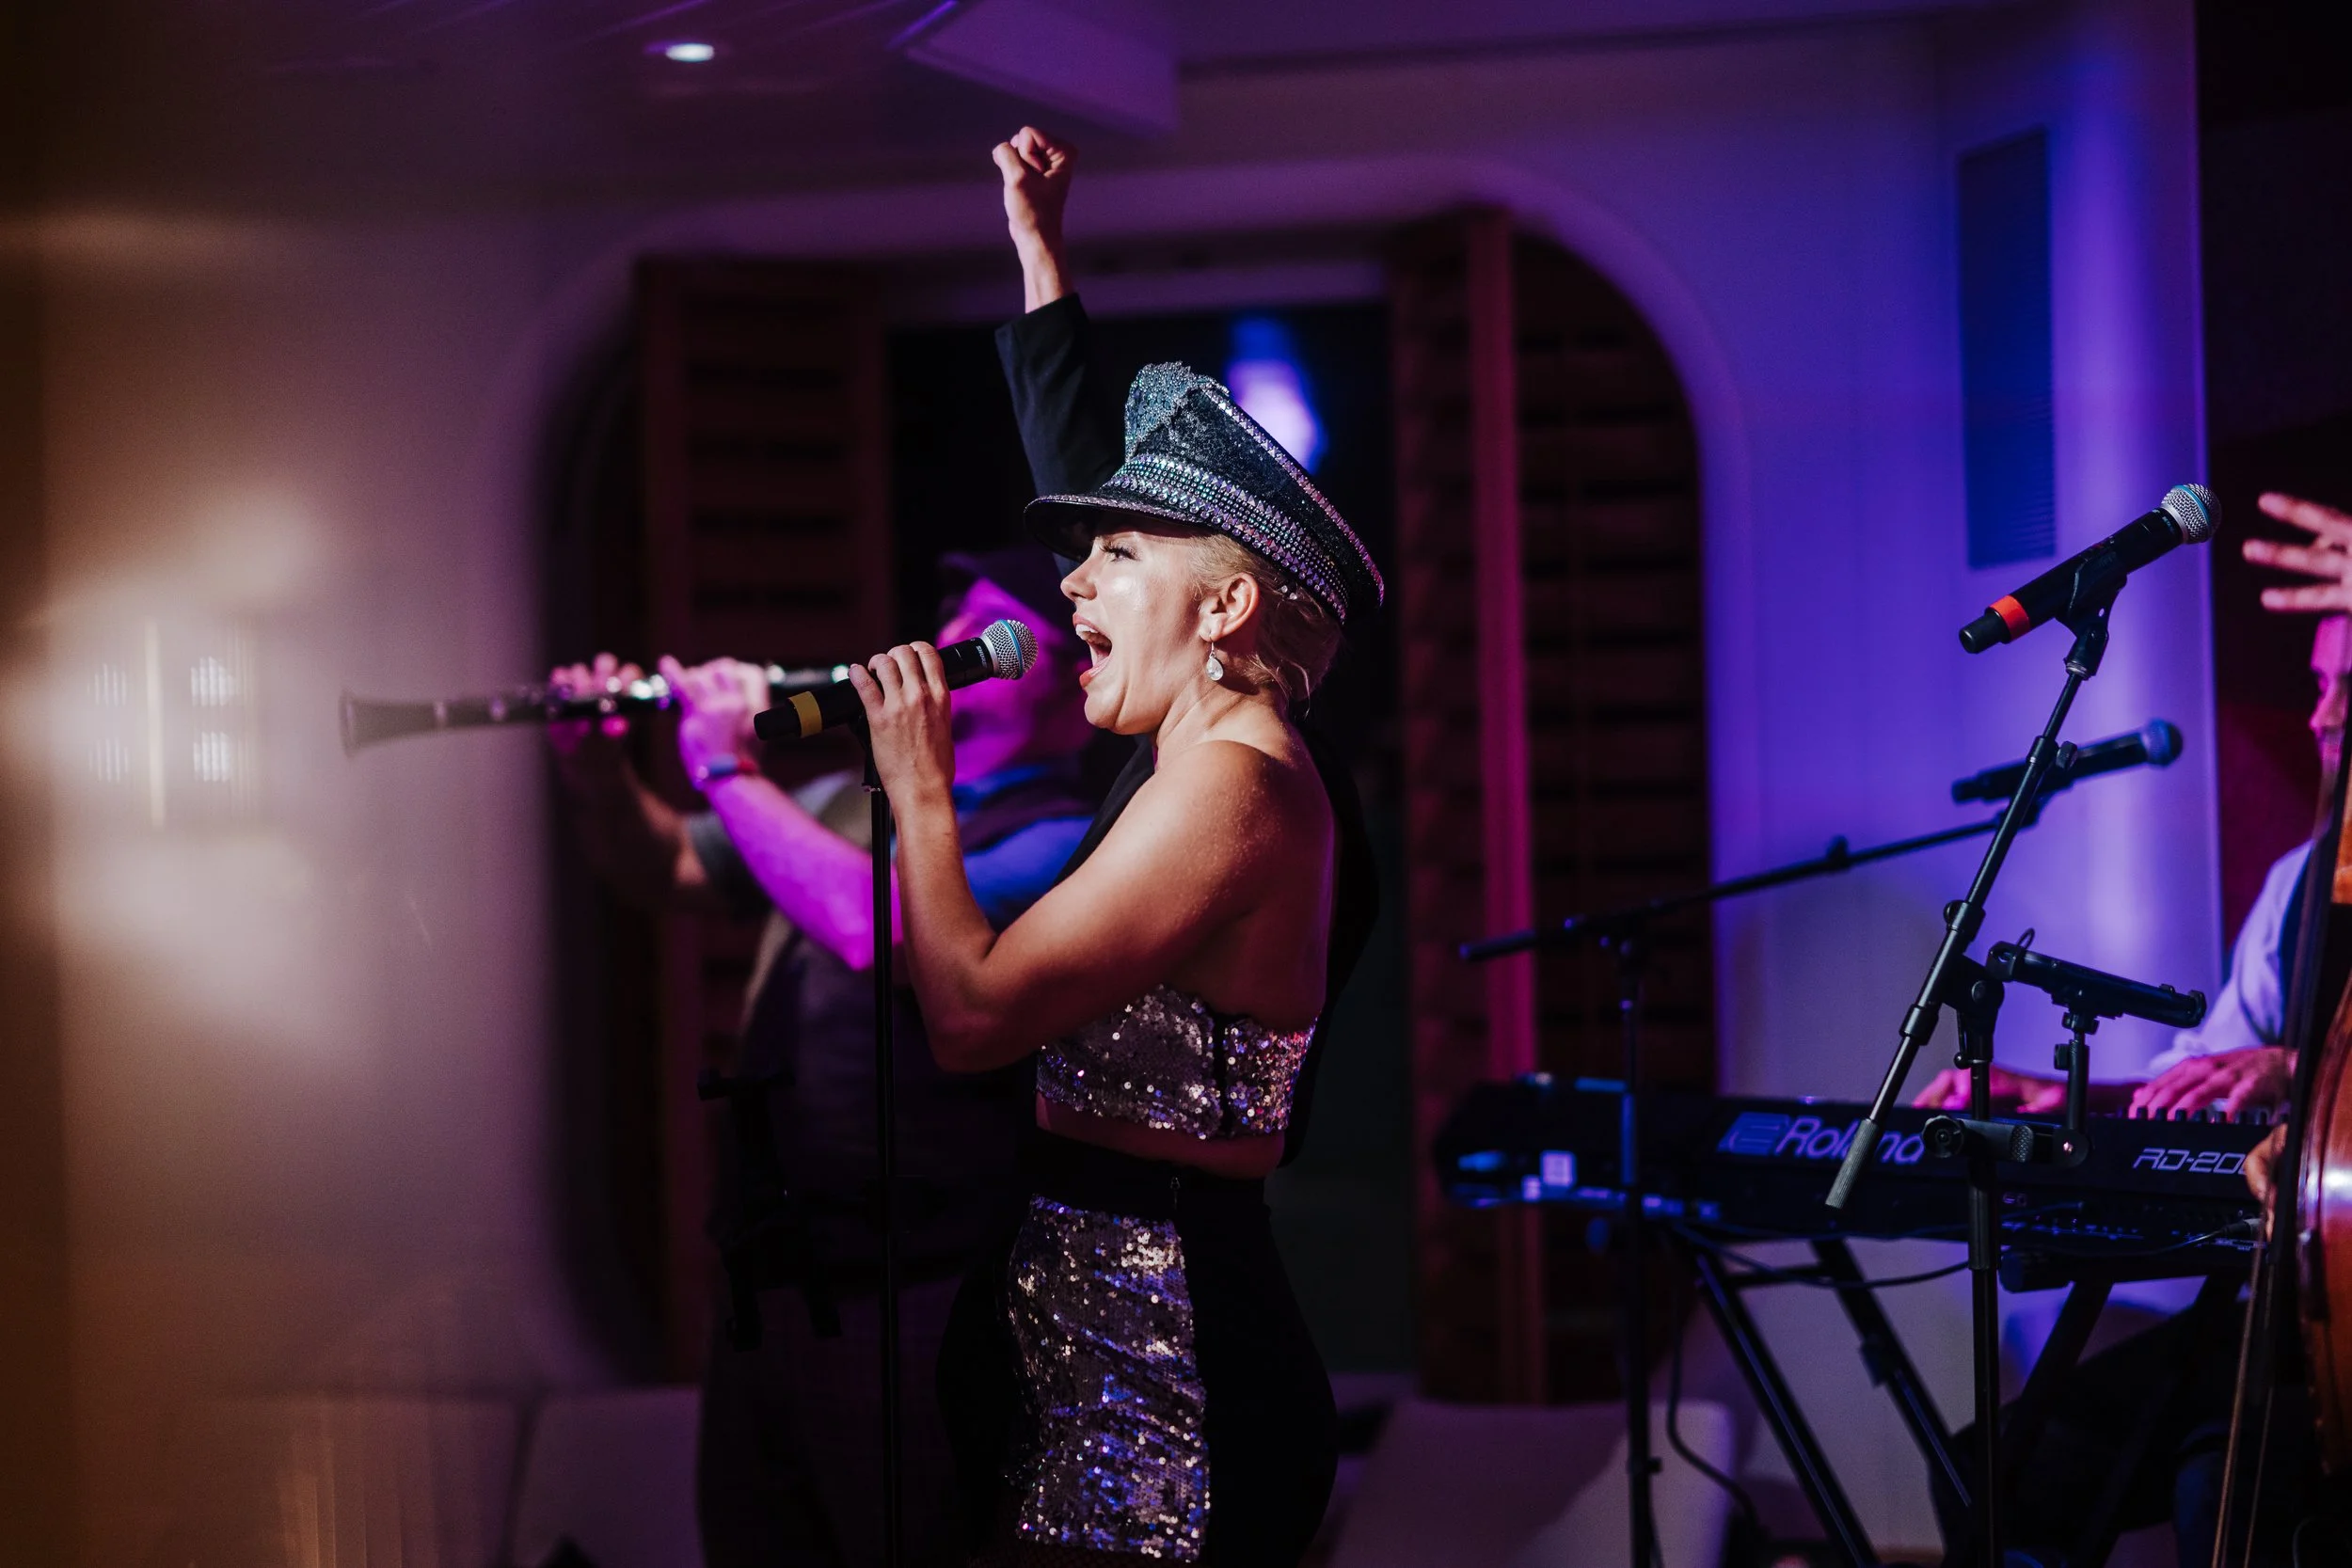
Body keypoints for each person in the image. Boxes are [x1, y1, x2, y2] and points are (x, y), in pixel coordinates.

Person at [837, 134, 1381, 1563]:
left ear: (1223, 609)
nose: (1072, 580)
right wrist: (1039, 257)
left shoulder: (1239, 792)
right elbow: (1106, 491)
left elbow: (967, 1018)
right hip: (1092, 1337)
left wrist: (922, 793)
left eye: (1115, 557)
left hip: (1166, 1376)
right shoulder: (1186, 746)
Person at [548, 547, 1096, 1568]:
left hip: (919, 1293)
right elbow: (667, 859)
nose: (952, 662)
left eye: (992, 647)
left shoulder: (1065, 842)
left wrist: (725, 759)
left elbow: (874, 926)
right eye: (955, 637)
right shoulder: (856, 794)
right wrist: (596, 773)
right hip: (770, 1284)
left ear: (1071, 688)